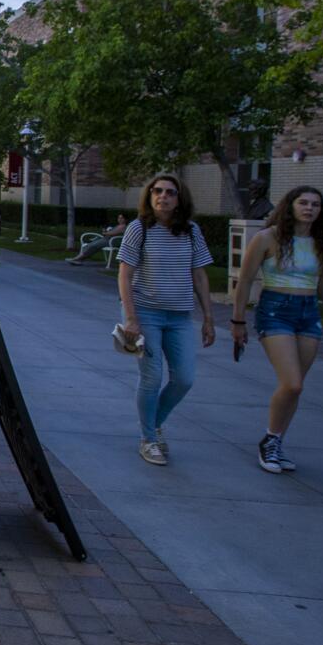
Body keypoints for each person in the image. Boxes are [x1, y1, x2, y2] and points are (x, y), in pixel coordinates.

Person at [231, 185, 323, 475]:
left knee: (295, 389)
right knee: (292, 383)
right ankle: (269, 441)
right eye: (304, 203)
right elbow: (244, 281)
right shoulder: (267, 238)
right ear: (291, 206)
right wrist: (238, 321)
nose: (309, 208)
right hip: (275, 310)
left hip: (308, 312)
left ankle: (276, 441)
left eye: (316, 205)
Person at [116, 174, 217, 467]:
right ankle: (149, 439)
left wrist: (209, 318)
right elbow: (125, 274)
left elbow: (199, 274)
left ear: (179, 198)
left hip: (180, 315)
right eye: (157, 191)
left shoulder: (191, 231)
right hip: (145, 312)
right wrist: (131, 317)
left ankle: (153, 423)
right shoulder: (139, 229)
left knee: (184, 378)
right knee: (151, 376)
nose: (163, 196)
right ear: (149, 196)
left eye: (170, 192)